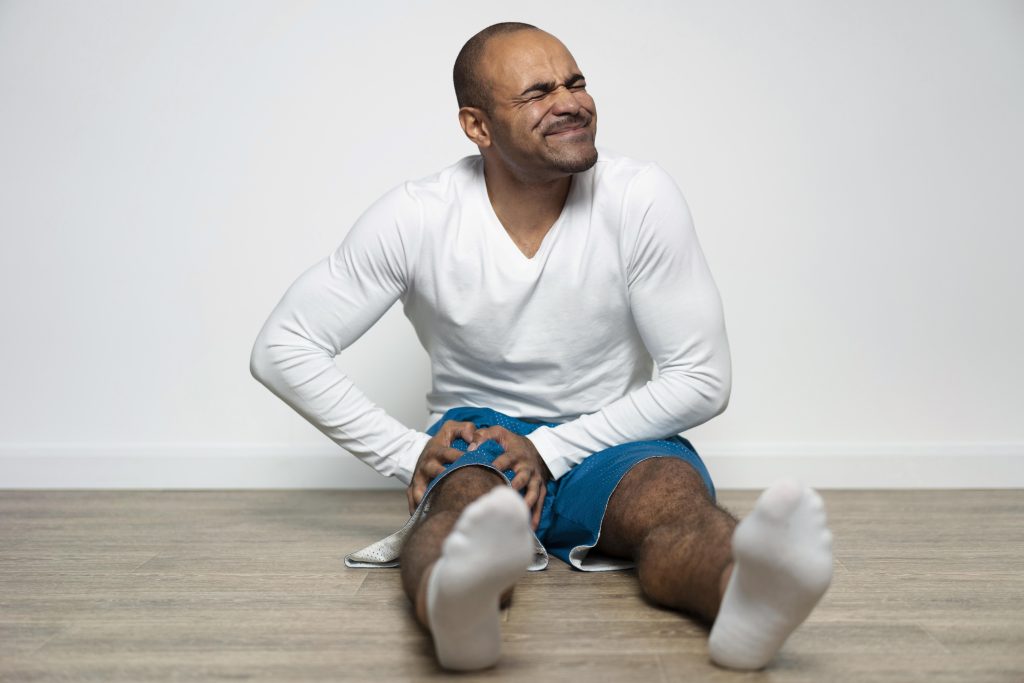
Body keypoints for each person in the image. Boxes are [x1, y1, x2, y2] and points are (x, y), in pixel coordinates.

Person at [249, 21, 833, 672]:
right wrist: (405, 451)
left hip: (614, 438)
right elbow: (284, 345)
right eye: (537, 92)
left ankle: (745, 598)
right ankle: (456, 611)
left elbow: (701, 377)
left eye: (575, 83)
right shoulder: (418, 215)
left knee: (673, 500)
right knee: (461, 505)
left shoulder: (638, 197)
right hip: (480, 437)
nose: (570, 102)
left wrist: (552, 449)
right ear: (477, 126)